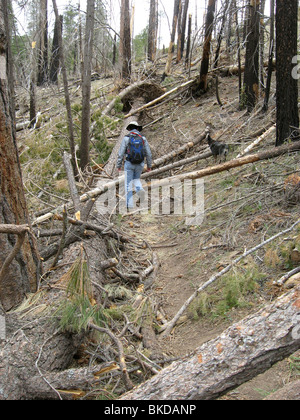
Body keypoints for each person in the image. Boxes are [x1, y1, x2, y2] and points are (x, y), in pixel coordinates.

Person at [117, 121, 152, 210]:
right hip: (140, 163)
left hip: (129, 163)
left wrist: (119, 165)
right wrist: (149, 166)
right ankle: (140, 189)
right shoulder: (143, 138)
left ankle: (130, 205)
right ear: (137, 128)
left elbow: (121, 153)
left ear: (129, 129)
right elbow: (148, 153)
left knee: (128, 183)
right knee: (136, 179)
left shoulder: (126, 138)